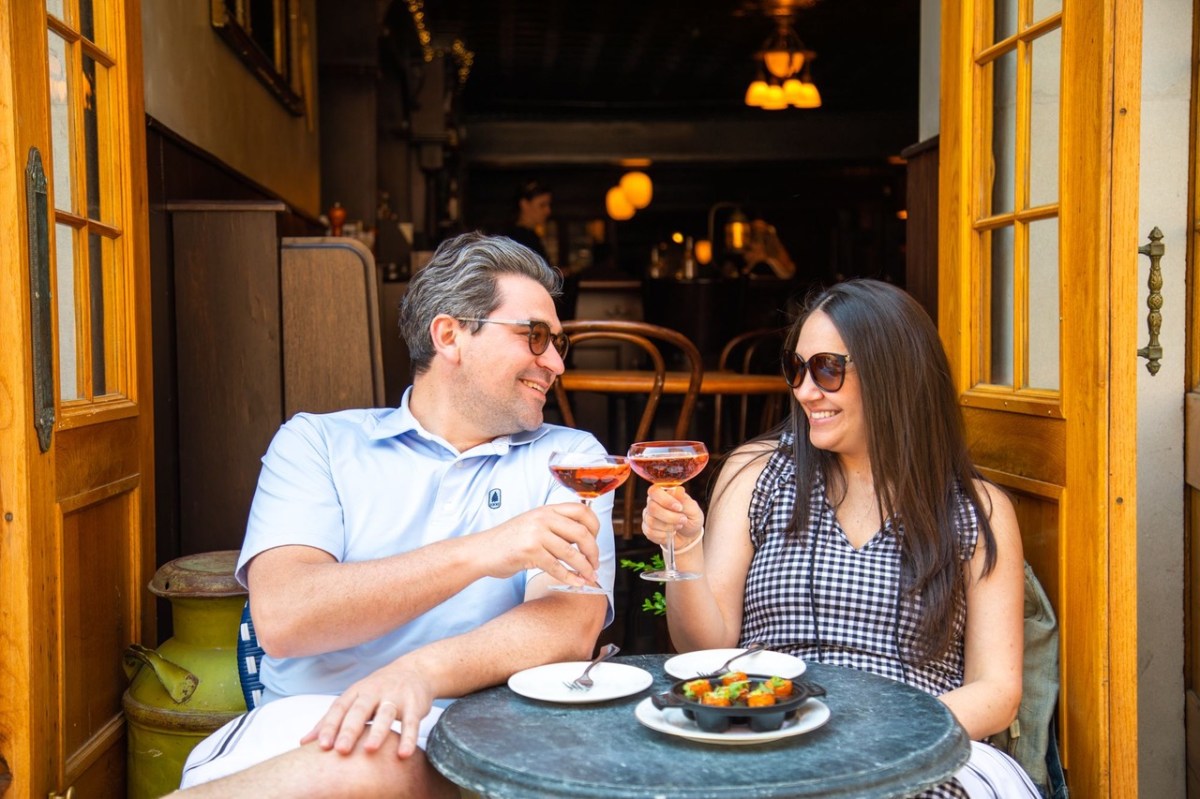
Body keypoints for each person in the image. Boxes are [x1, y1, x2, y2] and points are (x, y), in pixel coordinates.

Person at [171, 232, 615, 798]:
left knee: (377, 756)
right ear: (450, 335)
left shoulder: (571, 460)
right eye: (534, 337)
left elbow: (566, 626)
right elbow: (285, 617)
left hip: (473, 736)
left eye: (558, 343)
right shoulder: (317, 443)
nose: (553, 362)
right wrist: (483, 551)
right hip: (297, 731)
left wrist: (419, 674)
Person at [640, 279, 1038, 798]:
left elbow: (997, 691)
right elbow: (705, 646)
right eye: (796, 369)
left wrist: (879, 733)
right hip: (769, 736)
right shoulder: (758, 473)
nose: (805, 390)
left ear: (894, 373)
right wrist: (686, 547)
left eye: (827, 369)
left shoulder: (975, 510)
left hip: (913, 751)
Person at [503, 179, 580, 321]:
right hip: (527, 311)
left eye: (548, 205)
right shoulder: (519, 237)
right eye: (542, 205)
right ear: (524, 204)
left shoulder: (528, 236)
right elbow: (530, 276)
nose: (548, 211)